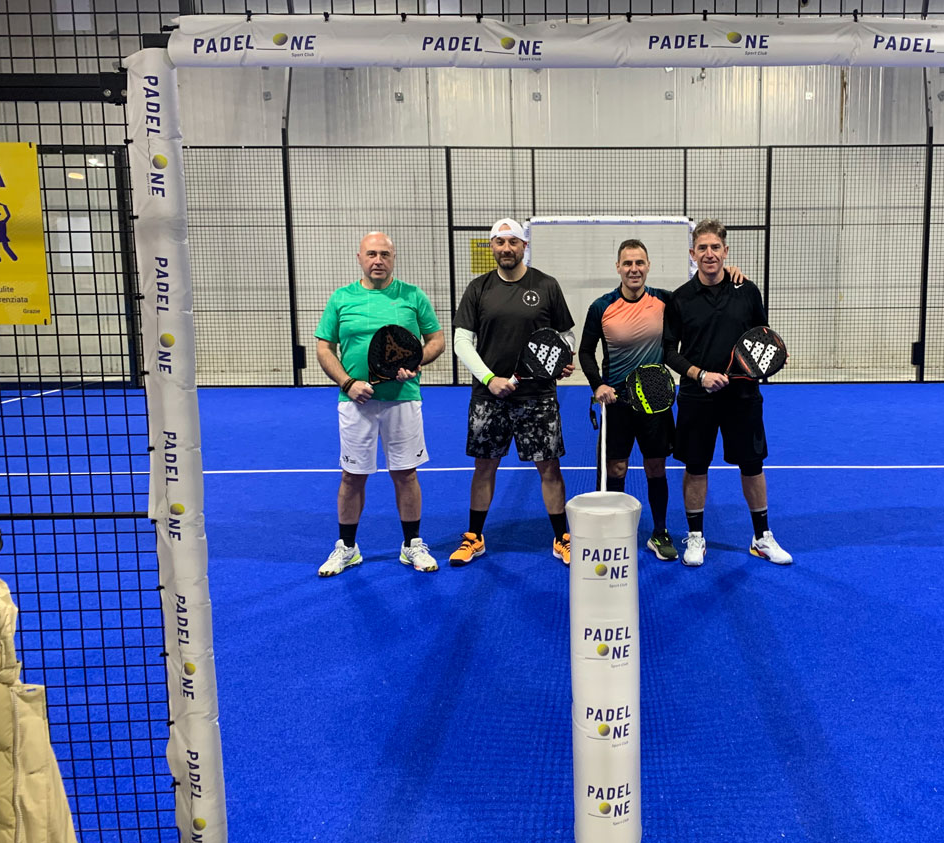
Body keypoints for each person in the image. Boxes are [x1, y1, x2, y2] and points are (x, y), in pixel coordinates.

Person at [579, 239, 747, 562]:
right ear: (618, 267)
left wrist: (729, 275)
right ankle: (616, 532)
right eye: (628, 263)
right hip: (617, 402)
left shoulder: (666, 301)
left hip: (655, 402)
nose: (634, 269)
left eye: (639, 263)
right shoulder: (601, 306)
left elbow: (701, 295)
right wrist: (598, 384)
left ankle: (659, 532)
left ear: (648, 266)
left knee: (656, 466)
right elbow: (586, 352)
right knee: (616, 467)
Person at [662, 218, 792, 566]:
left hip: (742, 397)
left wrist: (772, 359)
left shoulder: (746, 291)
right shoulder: (680, 298)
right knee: (695, 466)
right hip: (697, 396)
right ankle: (695, 537)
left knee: (752, 465)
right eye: (702, 248)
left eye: (715, 247)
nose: (709, 253)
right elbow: (669, 351)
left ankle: (761, 537)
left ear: (726, 251)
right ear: (692, 254)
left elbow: (762, 338)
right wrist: (699, 374)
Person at [314, 231, 445, 577]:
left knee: (406, 473)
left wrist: (416, 361)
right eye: (371, 254)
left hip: (403, 399)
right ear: (359, 258)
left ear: (393, 258)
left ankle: (412, 544)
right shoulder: (342, 298)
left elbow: (436, 340)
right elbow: (324, 348)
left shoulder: (412, 295)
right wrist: (347, 383)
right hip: (355, 402)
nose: (378, 260)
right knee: (352, 476)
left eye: (385, 254)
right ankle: (348, 548)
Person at [450, 218, 577, 566]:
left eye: (513, 242)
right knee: (484, 467)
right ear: (492, 246)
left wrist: (563, 357)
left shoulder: (547, 285)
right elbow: (462, 342)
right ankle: (474, 538)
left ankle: (561, 538)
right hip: (489, 397)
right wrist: (490, 379)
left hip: (538, 397)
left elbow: (565, 334)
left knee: (549, 468)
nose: (506, 248)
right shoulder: (478, 288)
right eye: (500, 242)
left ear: (524, 246)